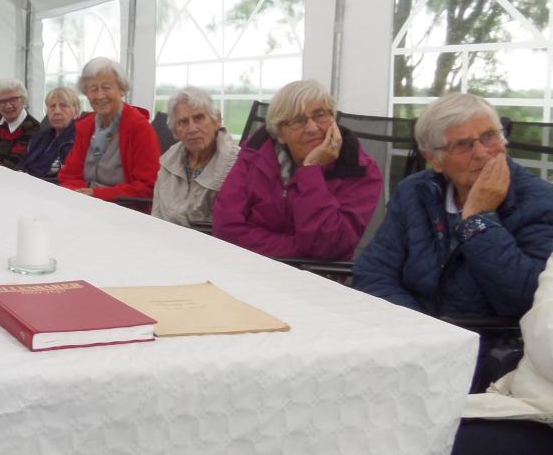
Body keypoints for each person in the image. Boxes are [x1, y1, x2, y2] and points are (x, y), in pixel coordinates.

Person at [353, 93, 553, 388]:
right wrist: (421, 330)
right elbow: (373, 272)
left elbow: (526, 301)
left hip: (486, 358)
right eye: (462, 145)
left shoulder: (540, 202)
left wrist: (478, 220)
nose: (483, 153)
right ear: (434, 159)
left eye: (489, 136)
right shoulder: (415, 192)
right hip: (407, 341)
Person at [213, 79, 382, 260]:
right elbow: (226, 228)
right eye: (298, 120)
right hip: (250, 266)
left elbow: (327, 246)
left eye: (320, 115)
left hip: (318, 279)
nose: (312, 128)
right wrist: (298, 250)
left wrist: (310, 171)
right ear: (280, 134)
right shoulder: (256, 153)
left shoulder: (358, 168)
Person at [438, 252, 553, 455]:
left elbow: (515, 292)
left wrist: (479, 223)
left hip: (474, 339)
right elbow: (545, 338)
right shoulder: (416, 209)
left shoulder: (532, 214)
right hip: (537, 408)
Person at [58, 57, 160, 201]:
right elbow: (69, 175)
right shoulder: (86, 126)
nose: (100, 95)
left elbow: (148, 187)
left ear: (122, 89)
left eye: (106, 87)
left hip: (125, 210)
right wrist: (80, 193)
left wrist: (96, 194)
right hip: (83, 203)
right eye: (93, 89)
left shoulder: (140, 128)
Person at [152, 86, 238, 227]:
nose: (192, 129)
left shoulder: (234, 166)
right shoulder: (168, 161)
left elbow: (229, 229)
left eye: (199, 118)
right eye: (183, 122)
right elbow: (156, 213)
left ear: (216, 121)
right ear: (175, 132)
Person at [19, 86, 79, 181]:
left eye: (63, 106)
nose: (57, 111)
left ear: (75, 112)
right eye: (52, 106)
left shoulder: (80, 139)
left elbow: (69, 178)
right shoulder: (39, 137)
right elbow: (23, 163)